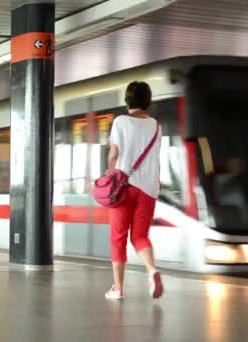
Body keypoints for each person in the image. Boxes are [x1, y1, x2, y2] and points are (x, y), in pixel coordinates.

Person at [105, 81, 163, 299]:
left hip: (123, 187)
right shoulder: (156, 125)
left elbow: (114, 154)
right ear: (148, 102)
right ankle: (152, 270)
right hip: (148, 189)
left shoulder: (120, 121)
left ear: (128, 100)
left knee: (118, 237)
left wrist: (110, 173)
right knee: (140, 236)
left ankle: (118, 288)